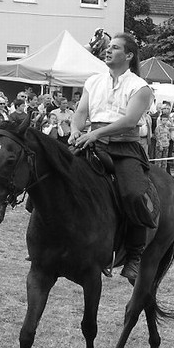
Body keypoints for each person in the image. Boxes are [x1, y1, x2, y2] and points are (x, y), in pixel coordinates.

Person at [69, 33, 159, 283]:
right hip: (91, 142)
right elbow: (81, 112)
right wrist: (76, 129)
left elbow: (130, 121)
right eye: (108, 47)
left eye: (115, 48)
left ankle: (134, 255)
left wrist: (94, 132)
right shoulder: (93, 81)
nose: (108, 51)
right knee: (53, 172)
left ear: (128, 55)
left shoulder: (140, 87)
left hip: (124, 149)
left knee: (133, 193)